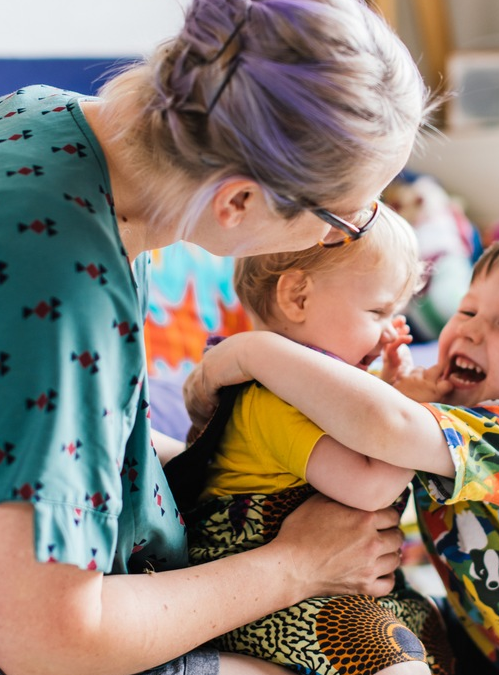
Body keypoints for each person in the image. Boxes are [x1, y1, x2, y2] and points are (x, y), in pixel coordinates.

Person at [0, 1, 434, 674]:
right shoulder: (58, 290)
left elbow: (21, 443)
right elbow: (53, 643)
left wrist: (223, 451)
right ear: (239, 200)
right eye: (344, 222)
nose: (341, 235)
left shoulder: (37, 118)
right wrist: (295, 564)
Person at [185, 231, 499, 675]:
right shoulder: (457, 421)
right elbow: (368, 424)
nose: (468, 331)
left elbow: (388, 426)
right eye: (466, 310)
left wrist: (254, 352)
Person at [166, 206, 451, 675]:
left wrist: (386, 397)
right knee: (397, 664)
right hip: (268, 605)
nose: (390, 335)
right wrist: (410, 412)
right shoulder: (272, 400)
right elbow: (370, 486)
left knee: (430, 629)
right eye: (378, 311)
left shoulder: (321, 394)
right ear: (297, 296)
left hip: (332, 587)